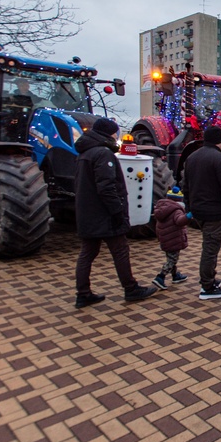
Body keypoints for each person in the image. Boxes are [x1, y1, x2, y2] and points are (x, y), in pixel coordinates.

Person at [73, 117, 156, 308]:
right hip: (104, 214)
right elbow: (106, 187)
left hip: (87, 212)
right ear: (110, 133)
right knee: (120, 250)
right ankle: (130, 288)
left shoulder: (84, 153)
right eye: (115, 132)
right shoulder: (103, 154)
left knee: (87, 253)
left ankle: (83, 293)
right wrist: (117, 211)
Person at [183, 126, 221, 300]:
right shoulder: (220, 160)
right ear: (219, 141)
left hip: (198, 211)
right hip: (214, 212)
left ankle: (210, 279)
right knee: (210, 249)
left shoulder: (192, 157)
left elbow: (186, 186)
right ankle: (207, 286)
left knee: (209, 246)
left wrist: (190, 208)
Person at [151, 186, 189, 291]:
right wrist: (188, 216)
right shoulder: (176, 210)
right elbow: (179, 221)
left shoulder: (162, 208)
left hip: (165, 238)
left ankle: (175, 275)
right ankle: (160, 277)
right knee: (172, 259)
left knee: (171, 257)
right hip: (174, 238)